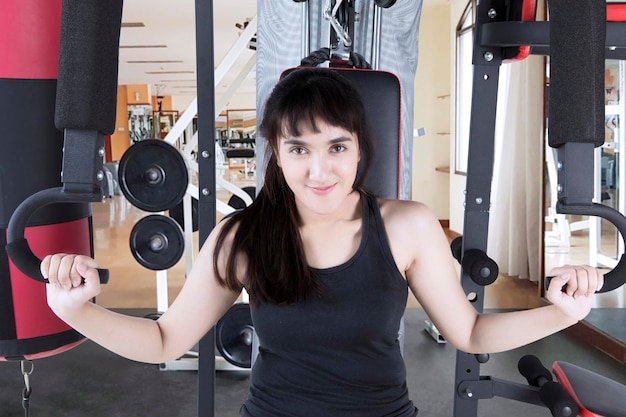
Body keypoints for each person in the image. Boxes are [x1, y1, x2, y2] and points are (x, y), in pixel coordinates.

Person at [42, 67, 604, 417]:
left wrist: (562, 313)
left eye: (337, 147)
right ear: (276, 154)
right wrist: (76, 311)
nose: (319, 170)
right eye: (298, 149)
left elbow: (472, 331)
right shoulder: (241, 238)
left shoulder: (406, 225)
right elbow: (165, 341)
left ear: (361, 150)